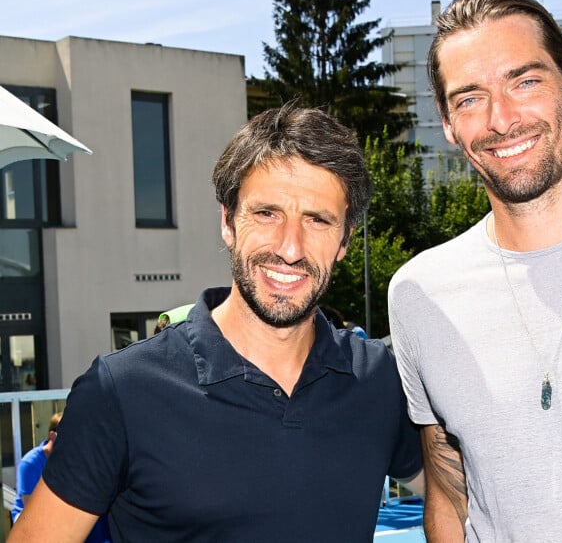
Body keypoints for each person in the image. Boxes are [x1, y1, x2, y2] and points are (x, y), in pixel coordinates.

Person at [9, 105, 423, 543]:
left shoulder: (377, 380)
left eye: (317, 220)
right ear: (227, 221)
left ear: (345, 241)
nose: (290, 247)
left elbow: (462, 500)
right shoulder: (121, 391)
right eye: (267, 213)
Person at [388, 0, 562, 542]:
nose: (502, 119)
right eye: (470, 98)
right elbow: (449, 494)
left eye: (525, 81)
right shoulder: (421, 294)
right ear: (448, 124)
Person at [11, 412, 111, 543]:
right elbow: (31, 512)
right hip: (32, 522)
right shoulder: (30, 464)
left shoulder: (78, 458)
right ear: (52, 436)